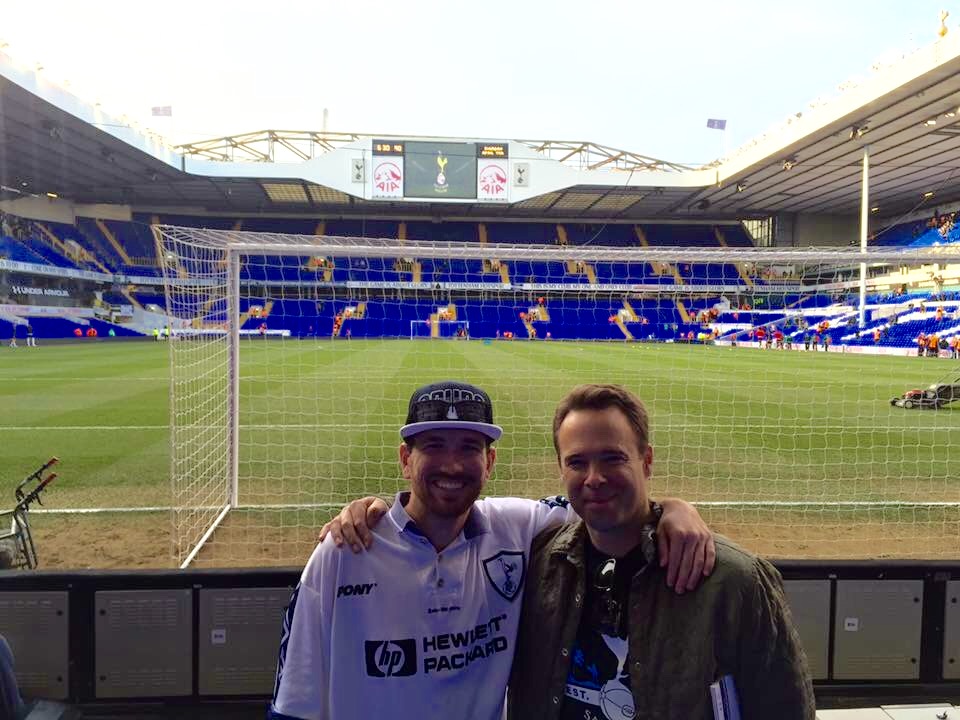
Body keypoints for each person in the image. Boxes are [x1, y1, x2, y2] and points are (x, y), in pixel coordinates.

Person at [270, 381, 715, 720]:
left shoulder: (518, 527)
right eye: (433, 446)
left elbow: (599, 503)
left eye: (469, 447)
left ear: (490, 461)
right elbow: (295, 698)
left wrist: (672, 509)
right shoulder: (344, 551)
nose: (451, 464)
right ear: (405, 459)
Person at [507, 384, 816, 719]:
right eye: (577, 462)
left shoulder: (733, 581)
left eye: (613, 458)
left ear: (647, 461)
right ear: (561, 469)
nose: (594, 478)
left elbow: (786, 709)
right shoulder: (538, 565)